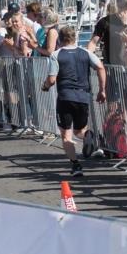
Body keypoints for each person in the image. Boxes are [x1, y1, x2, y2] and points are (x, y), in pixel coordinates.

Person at [42, 26, 106, 177]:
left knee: (66, 135)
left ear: (59, 40)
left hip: (65, 97)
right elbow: (100, 67)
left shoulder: (56, 54)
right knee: (80, 130)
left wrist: (45, 86)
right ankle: (88, 135)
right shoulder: (86, 53)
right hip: (83, 96)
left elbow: (52, 79)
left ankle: (76, 165)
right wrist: (102, 90)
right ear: (75, 38)